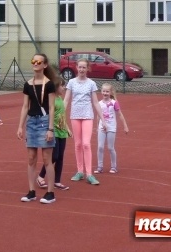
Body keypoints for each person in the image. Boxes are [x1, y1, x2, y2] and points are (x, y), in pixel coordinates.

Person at [16, 53, 59, 204]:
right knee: (31, 158)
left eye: (38, 61)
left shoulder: (49, 84)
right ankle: (31, 191)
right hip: (31, 123)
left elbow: (52, 107)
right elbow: (25, 106)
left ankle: (50, 193)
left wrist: (50, 128)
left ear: (44, 65)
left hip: (44, 121)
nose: (35, 63)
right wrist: (20, 126)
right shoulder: (28, 84)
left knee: (47, 159)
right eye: (33, 60)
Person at [64, 58, 105, 186]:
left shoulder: (91, 83)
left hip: (87, 115)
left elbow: (95, 102)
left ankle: (89, 174)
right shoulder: (71, 82)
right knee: (78, 144)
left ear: (87, 69)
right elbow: (66, 100)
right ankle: (79, 171)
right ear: (76, 67)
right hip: (75, 115)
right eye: (80, 67)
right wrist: (60, 115)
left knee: (86, 144)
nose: (81, 69)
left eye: (84, 67)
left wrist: (103, 119)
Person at [36, 80, 71, 191]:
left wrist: (67, 128)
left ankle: (57, 181)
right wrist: (48, 130)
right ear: (56, 87)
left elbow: (62, 116)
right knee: (54, 156)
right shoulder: (51, 100)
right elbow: (46, 117)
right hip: (53, 131)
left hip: (62, 131)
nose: (64, 88)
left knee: (60, 156)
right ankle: (41, 176)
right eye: (62, 86)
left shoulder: (60, 98)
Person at [95, 83, 129, 174]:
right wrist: (97, 126)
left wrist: (125, 126)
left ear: (110, 92)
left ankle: (113, 166)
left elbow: (120, 114)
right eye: (103, 91)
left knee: (110, 147)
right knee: (100, 147)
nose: (105, 93)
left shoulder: (114, 103)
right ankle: (100, 166)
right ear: (101, 91)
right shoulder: (99, 103)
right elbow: (98, 116)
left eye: (107, 91)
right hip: (102, 127)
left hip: (111, 127)